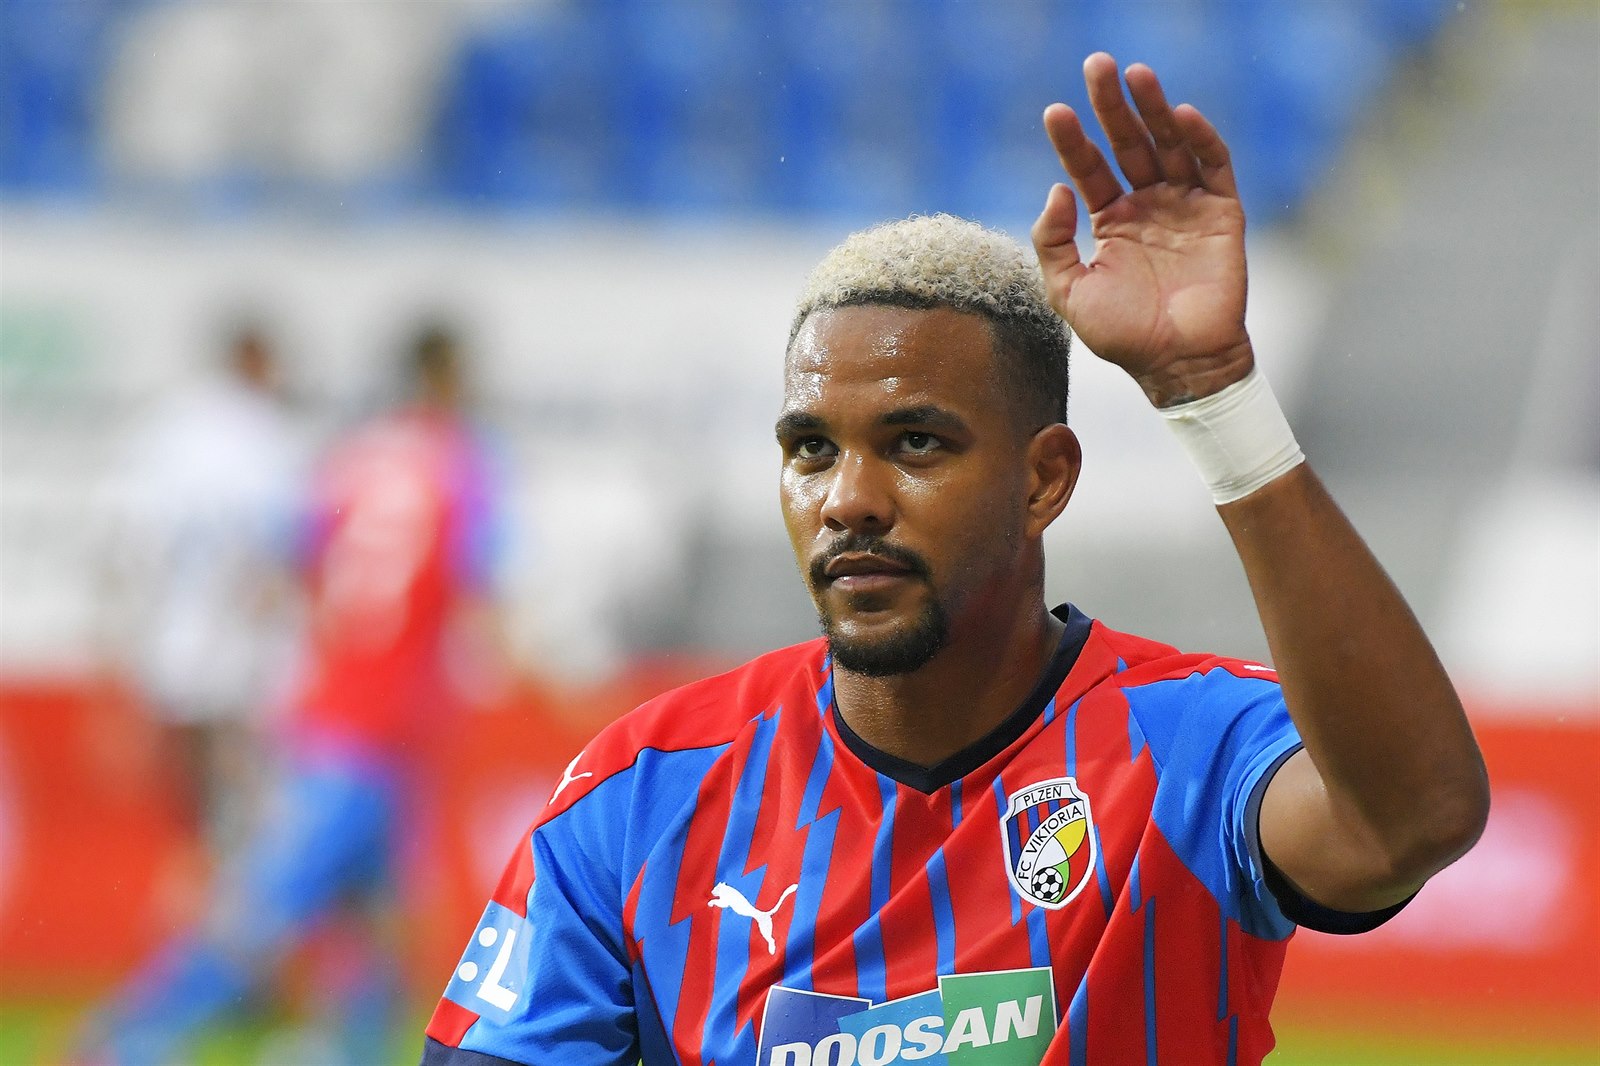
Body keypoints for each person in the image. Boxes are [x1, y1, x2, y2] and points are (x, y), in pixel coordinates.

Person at [421, 55, 1488, 1066]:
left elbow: (1411, 820)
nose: (848, 498)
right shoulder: (645, 790)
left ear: (1043, 480)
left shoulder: (1189, 749)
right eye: (810, 449)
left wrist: (1215, 395)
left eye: (915, 443)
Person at [88, 322, 509, 1066]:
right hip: (380, 727)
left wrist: (252, 676)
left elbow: (274, 574)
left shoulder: (349, 459)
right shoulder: (464, 467)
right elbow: (482, 596)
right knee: (276, 904)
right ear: (447, 380)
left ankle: (352, 1050)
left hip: (332, 715)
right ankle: (122, 1043)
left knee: (368, 912)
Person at [103, 320, 303, 851]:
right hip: (239, 625)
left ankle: (204, 855)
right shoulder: (262, 433)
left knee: (196, 766)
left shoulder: (173, 427)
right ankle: (237, 863)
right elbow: (278, 540)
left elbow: (131, 535)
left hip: (180, 623)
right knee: (249, 762)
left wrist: (125, 631)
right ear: (258, 363)